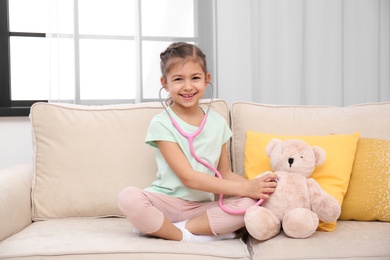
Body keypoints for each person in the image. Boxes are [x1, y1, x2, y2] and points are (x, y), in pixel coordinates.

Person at [118, 42, 277, 242]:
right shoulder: (162, 123)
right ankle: (186, 236)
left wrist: (256, 187)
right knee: (128, 197)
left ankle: (173, 229)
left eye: (195, 78)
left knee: (250, 204)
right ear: (164, 83)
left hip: (201, 208)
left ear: (206, 79)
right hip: (166, 202)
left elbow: (225, 173)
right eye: (178, 79)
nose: (188, 86)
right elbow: (189, 178)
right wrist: (246, 188)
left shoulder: (218, 123)